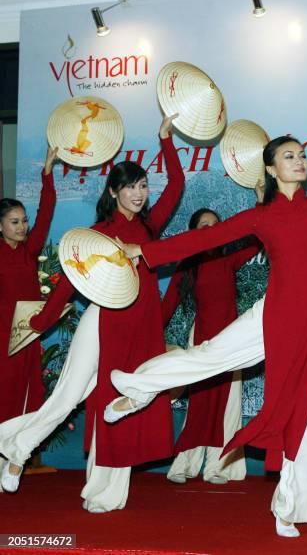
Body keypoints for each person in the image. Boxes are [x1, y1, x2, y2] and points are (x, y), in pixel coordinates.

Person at [105, 72, 307, 537]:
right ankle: (140, 387)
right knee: (210, 356)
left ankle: (289, 507)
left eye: (302, 155)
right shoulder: (261, 217)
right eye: (289, 156)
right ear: (270, 169)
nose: (300, 161)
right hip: (273, 317)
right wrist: (147, 251)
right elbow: (205, 239)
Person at [0, 114, 184, 513]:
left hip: (142, 326)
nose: (140, 193)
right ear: (114, 191)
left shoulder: (150, 230)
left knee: (120, 405)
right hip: (103, 322)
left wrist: (166, 140)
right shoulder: (98, 233)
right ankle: (17, 450)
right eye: (131, 187)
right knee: (69, 395)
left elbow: (178, 186)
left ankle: (105, 491)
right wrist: (41, 321)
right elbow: (69, 282)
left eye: (143, 185)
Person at [163, 204, 262, 485]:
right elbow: (167, 304)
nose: (211, 229)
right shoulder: (188, 266)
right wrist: (148, 336)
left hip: (232, 341)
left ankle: (219, 467)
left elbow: (258, 240)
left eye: (216, 224)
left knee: (228, 404)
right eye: (204, 225)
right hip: (201, 340)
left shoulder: (229, 258)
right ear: (193, 233)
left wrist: (259, 203)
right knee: (200, 404)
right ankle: (186, 464)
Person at [0, 147, 57, 427]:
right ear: (0, 226)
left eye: (23, 221)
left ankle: (16, 454)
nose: (22, 226)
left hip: (27, 334)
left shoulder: (29, 250)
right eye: (14, 222)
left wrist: (47, 173)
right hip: (2, 336)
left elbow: (45, 214)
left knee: (29, 391)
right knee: (5, 392)